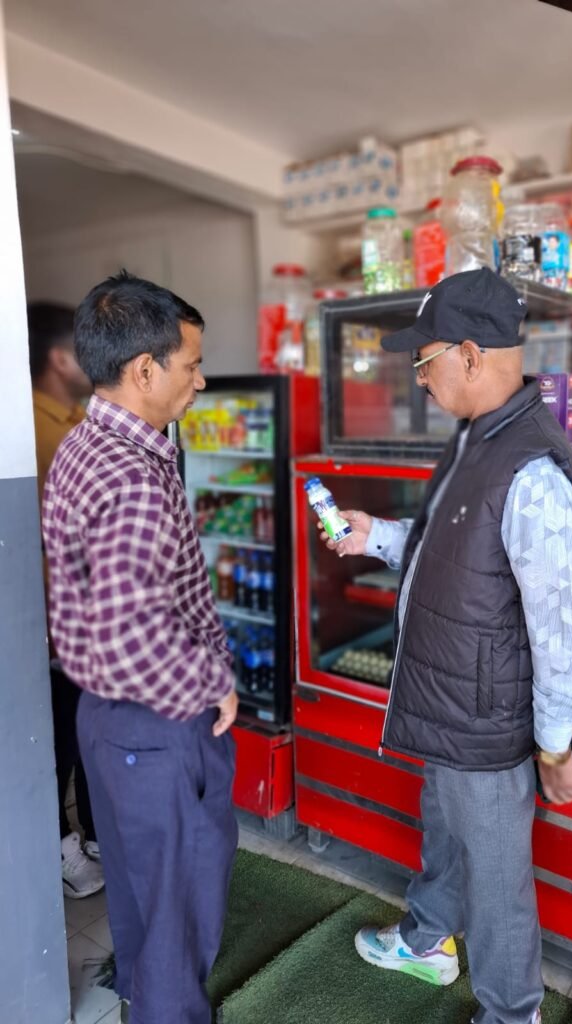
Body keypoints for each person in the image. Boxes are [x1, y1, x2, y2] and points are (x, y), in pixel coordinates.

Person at [319, 268, 572, 1024]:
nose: (419, 379)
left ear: (470, 355)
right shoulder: (479, 438)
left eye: (424, 361)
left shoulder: (530, 468)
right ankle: (428, 939)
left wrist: (554, 743)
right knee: (444, 829)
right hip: (446, 698)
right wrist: (377, 536)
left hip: (483, 714)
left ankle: (512, 1013)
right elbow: (455, 549)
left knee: (496, 876)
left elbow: (560, 622)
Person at [41, 272, 239, 1024]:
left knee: (138, 891)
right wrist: (211, 682)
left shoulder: (85, 442)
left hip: (107, 721)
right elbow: (132, 638)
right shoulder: (131, 477)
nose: (200, 380)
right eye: (192, 364)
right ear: (145, 369)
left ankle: (140, 996)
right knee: (178, 904)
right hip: (155, 726)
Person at [28, 301, 104, 900]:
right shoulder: (31, 429)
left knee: (85, 733)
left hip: (87, 617)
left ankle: (96, 835)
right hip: (52, 624)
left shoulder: (78, 419)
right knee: (56, 742)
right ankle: (61, 849)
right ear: (59, 358)